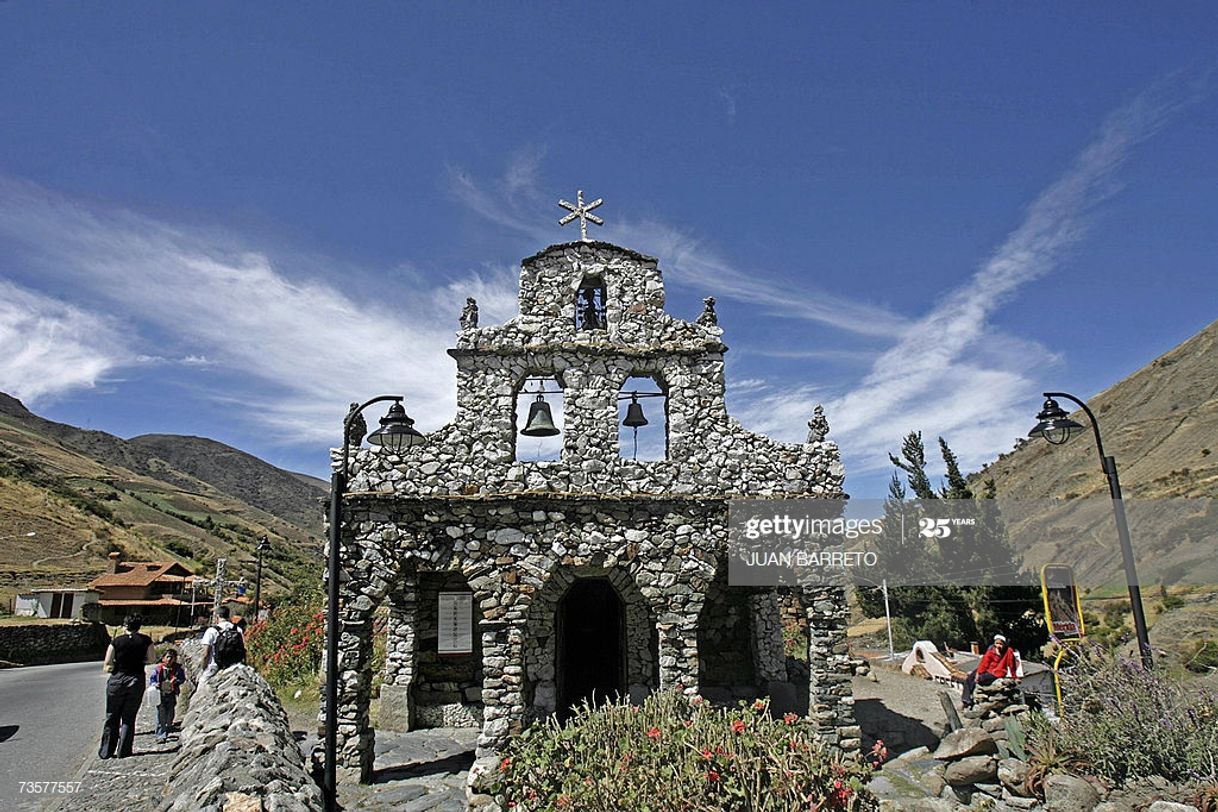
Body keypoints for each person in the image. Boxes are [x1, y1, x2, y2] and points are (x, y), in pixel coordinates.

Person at [99, 614, 156, 759]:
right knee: (129, 717)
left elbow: (107, 663)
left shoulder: (117, 641)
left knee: (112, 715)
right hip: (136, 678)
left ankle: (106, 750)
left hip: (118, 678)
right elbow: (151, 659)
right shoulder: (146, 641)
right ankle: (123, 751)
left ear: (125, 626)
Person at [962, 633, 1018, 708]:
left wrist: (1015, 677)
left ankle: (972, 697)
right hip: (987, 669)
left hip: (997, 672)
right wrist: (978, 673)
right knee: (969, 679)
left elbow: (1012, 665)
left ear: (1004, 644)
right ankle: (966, 699)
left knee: (981, 679)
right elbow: (984, 663)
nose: (998, 646)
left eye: (1001, 644)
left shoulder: (1008, 651)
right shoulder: (991, 651)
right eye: (997, 643)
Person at [197, 605, 242, 688]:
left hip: (215, 666)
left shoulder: (211, 631)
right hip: (234, 665)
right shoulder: (238, 629)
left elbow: (206, 653)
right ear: (228, 616)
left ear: (217, 616)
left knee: (201, 684)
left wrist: (203, 667)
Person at [149, 648, 187, 743]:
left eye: (172, 657)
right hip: (160, 694)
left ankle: (168, 726)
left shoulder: (178, 669)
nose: (170, 659)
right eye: (168, 657)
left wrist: (176, 681)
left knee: (170, 712)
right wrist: (155, 684)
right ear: (163, 658)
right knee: (160, 714)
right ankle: (161, 735)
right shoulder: (158, 670)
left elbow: (182, 679)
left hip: (171, 694)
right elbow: (152, 680)